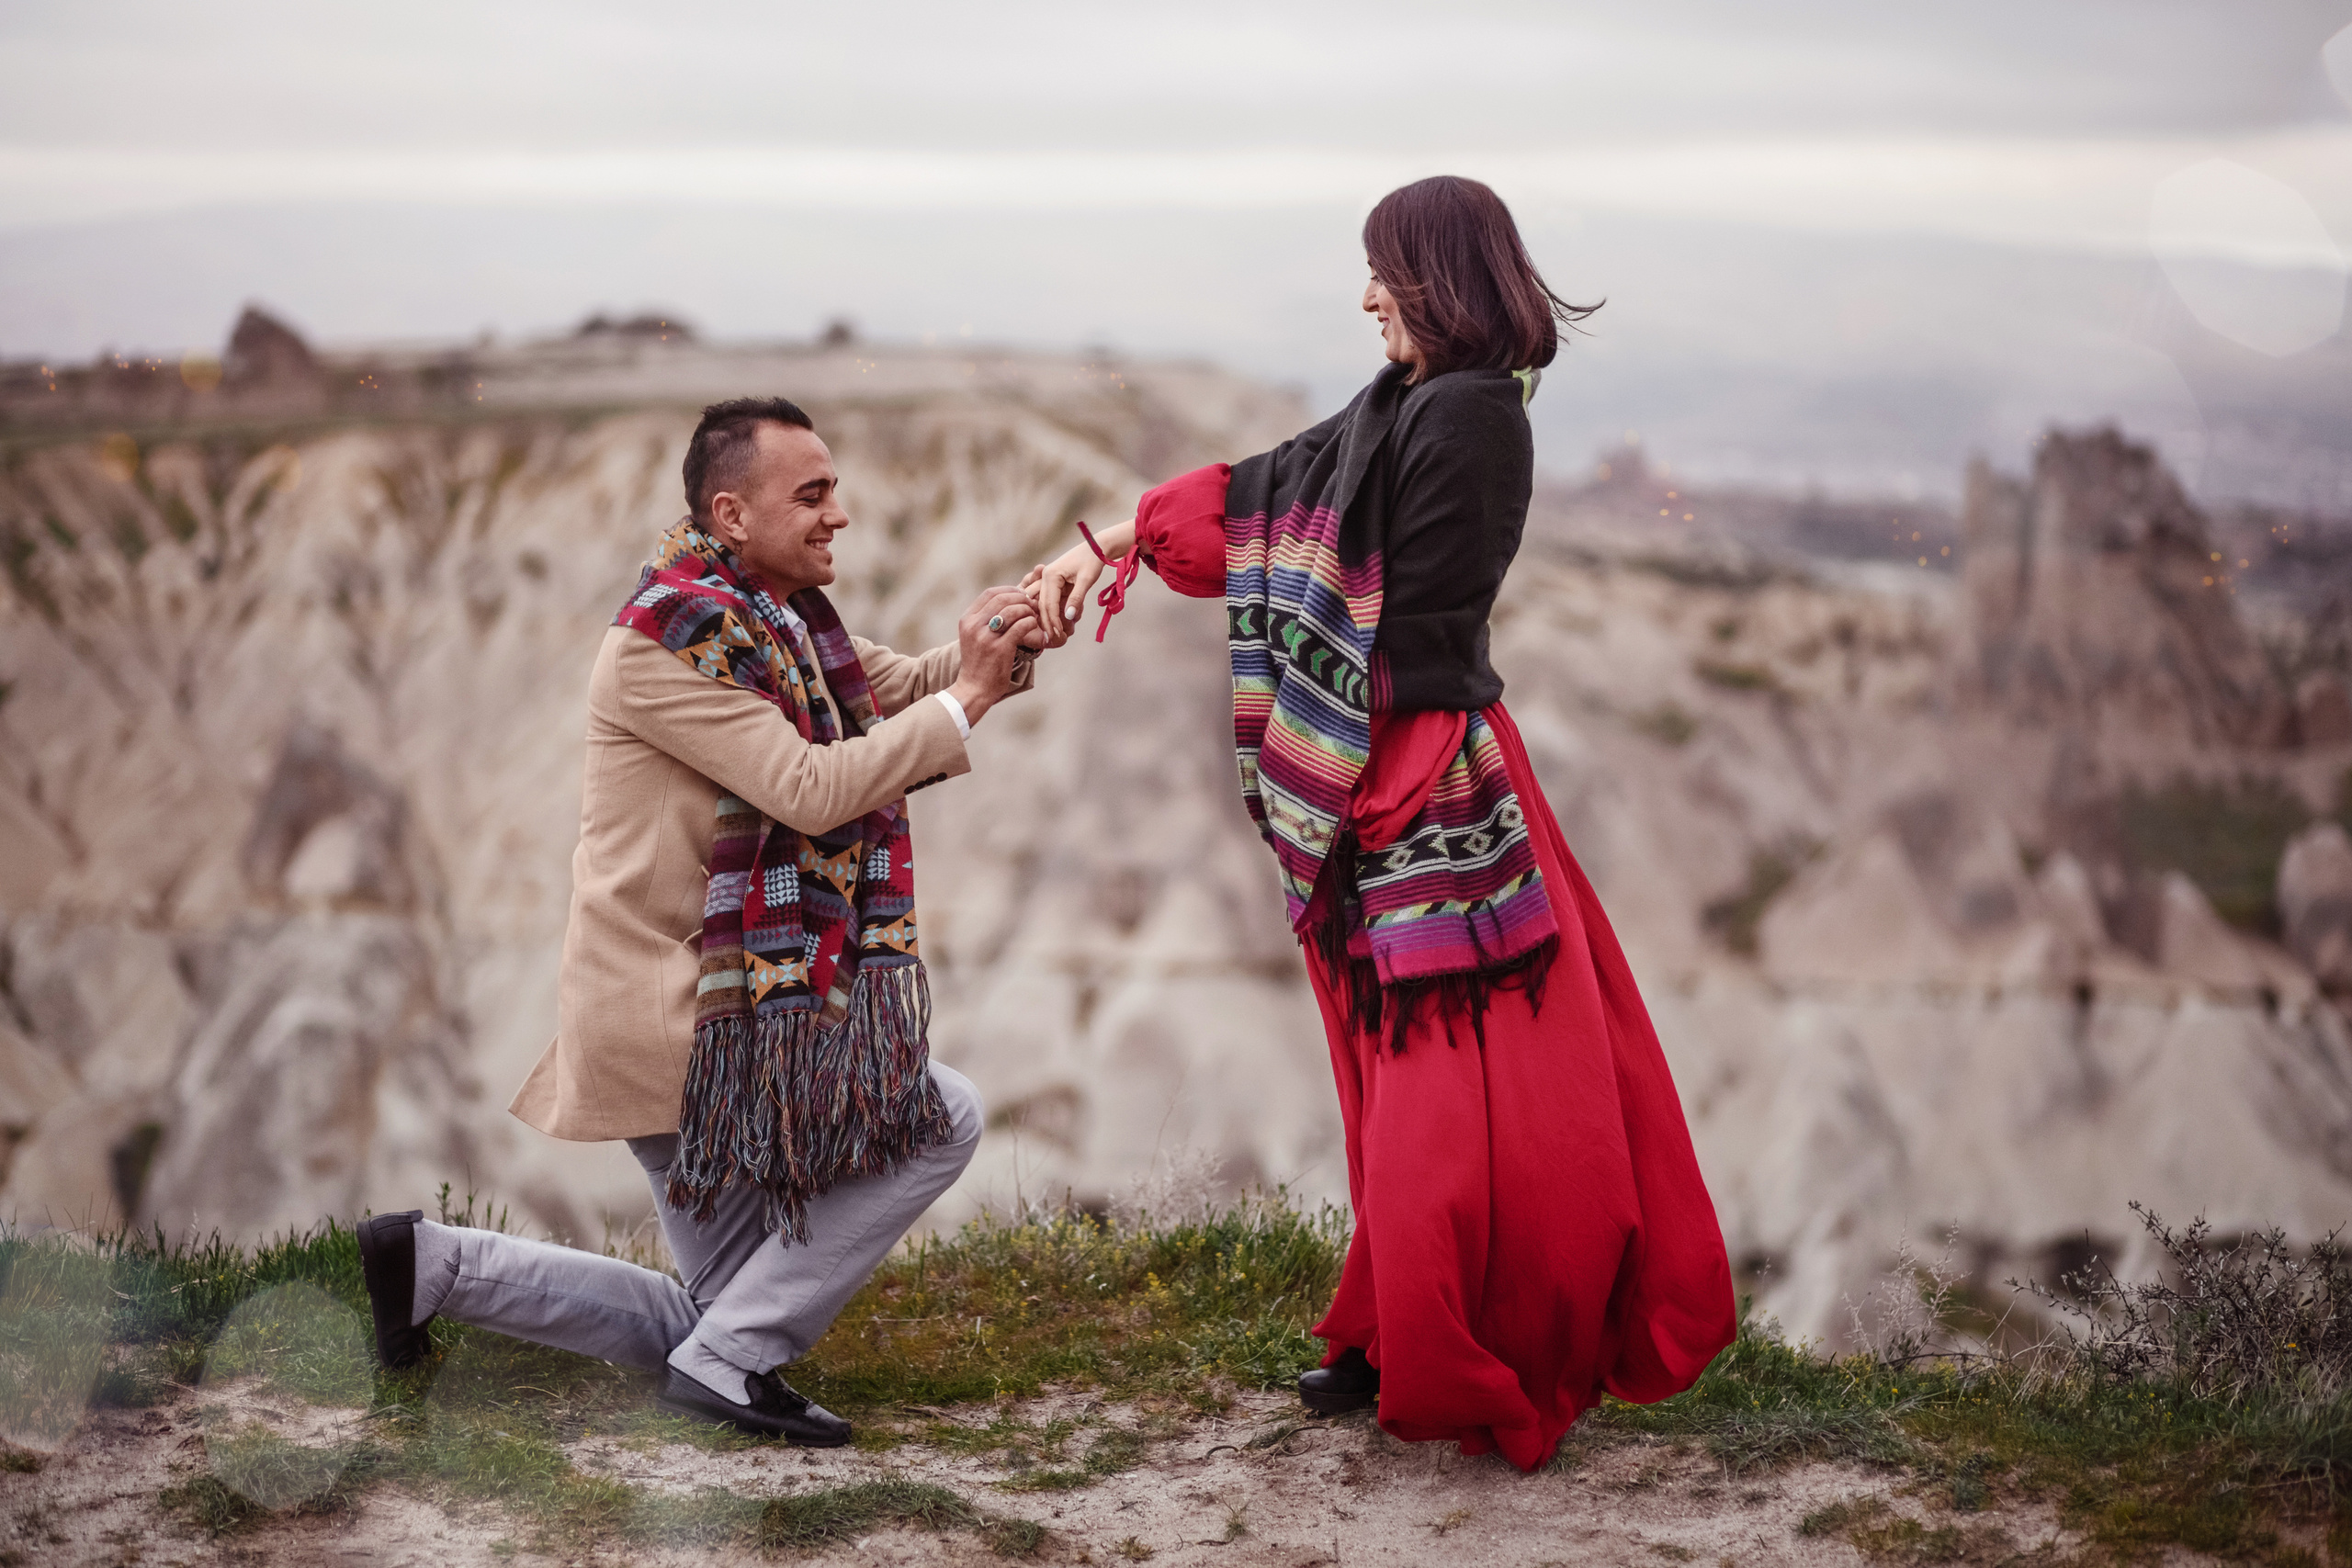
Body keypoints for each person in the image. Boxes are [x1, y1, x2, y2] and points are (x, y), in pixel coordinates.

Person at [1027, 176, 1736, 1472]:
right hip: (1380, 766)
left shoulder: (1471, 420)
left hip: (1425, 775)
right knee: (1399, 1063)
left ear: (1441, 278)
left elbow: (1411, 621)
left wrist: (1351, 759)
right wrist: (1111, 542)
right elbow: (1269, 490)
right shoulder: (1413, 402)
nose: (1365, 299)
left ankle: (1468, 1338)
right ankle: (1392, 1329)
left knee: (1444, 1080)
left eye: (1383, 274)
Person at [355, 396, 1044, 1445]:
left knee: (727, 1319)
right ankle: (718, 1363)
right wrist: (970, 704)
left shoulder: (758, 623)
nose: (837, 515)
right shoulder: (668, 645)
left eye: (835, 491)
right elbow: (811, 788)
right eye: (811, 495)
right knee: (937, 1117)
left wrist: (988, 646)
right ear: (731, 514)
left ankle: (431, 1265)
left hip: (721, 1017)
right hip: (688, 1021)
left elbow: (879, 688)